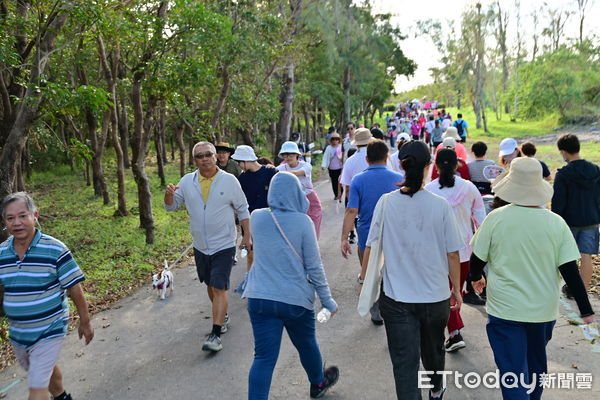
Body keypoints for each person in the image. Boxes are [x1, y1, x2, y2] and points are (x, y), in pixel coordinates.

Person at [470, 157, 595, 400]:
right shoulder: (556, 223)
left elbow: (477, 259)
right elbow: (570, 271)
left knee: (512, 372)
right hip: (543, 312)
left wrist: (476, 278)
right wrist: (585, 309)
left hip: (505, 310)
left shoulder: (495, 218)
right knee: (536, 367)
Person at [363, 141, 463, 400]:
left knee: (404, 364)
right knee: (433, 351)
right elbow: (453, 252)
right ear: (430, 166)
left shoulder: (386, 203)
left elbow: (372, 247)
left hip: (396, 298)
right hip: (435, 295)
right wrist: (456, 288)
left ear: (401, 165)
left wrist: (366, 281)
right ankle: (437, 390)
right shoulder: (440, 205)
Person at [242, 172, 339, 400]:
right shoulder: (303, 222)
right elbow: (315, 267)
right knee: (306, 344)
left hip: (260, 298)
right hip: (294, 301)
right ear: (297, 193)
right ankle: (318, 383)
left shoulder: (257, 216)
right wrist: (327, 301)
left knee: (264, 358)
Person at [0, 192, 94, 400]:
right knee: (42, 370)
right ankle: (62, 397)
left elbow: (75, 289)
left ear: (35, 216)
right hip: (19, 333)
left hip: (50, 328)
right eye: (10, 218)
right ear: (5, 222)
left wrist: (85, 322)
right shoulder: (1, 253)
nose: (17, 222)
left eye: (23, 216)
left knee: (37, 387)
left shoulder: (55, 249)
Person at [164, 141, 251, 352]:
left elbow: (242, 208)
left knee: (219, 285)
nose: (204, 158)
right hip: (201, 245)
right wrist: (168, 194)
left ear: (216, 157)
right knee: (211, 286)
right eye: (199, 156)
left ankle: (215, 333)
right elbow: (171, 206)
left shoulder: (229, 181)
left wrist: (247, 236)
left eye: (208, 154)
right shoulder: (187, 181)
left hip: (224, 243)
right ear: (194, 160)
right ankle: (223, 315)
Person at [426, 150, 486, 353]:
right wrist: (482, 250)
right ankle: (454, 331)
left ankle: (454, 333)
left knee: (445, 293)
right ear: (457, 165)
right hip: (464, 251)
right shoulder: (469, 188)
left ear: (436, 166)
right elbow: (481, 221)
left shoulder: (429, 190)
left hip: (437, 251)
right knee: (456, 292)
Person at [341, 140, 404, 324]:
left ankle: (376, 311)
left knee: (370, 273)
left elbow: (351, 210)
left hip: (367, 235)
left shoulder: (358, 180)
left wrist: (344, 237)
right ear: (386, 158)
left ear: (367, 159)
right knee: (391, 273)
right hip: (394, 234)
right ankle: (393, 310)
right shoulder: (398, 178)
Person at [552, 134, 600, 297]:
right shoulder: (595, 170)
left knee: (567, 257)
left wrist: (555, 221)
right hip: (591, 220)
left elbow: (558, 202)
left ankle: (570, 287)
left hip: (569, 221)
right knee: (586, 256)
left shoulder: (563, 174)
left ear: (564, 152)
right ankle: (582, 291)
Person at [232, 145, 278, 271]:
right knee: (250, 250)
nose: (239, 165)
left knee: (269, 251)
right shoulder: (242, 178)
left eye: (239, 162)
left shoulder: (270, 172)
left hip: (268, 218)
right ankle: (250, 277)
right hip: (249, 219)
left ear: (246, 160)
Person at [276, 141, 322, 238]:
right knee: (297, 224)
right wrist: (270, 168)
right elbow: (273, 172)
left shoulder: (306, 165)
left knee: (314, 220)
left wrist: (279, 172)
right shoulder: (281, 167)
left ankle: (313, 243)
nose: (288, 157)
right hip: (293, 199)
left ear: (297, 154)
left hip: (309, 198)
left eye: (290, 154)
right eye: (285, 155)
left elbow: (298, 173)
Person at [321, 132, 344, 200]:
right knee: (334, 182)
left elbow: (344, 156)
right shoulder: (328, 148)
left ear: (339, 140)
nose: (335, 141)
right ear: (331, 140)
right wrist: (323, 165)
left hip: (340, 168)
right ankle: (336, 195)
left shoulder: (341, 147)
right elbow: (325, 157)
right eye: (333, 139)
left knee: (340, 182)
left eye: (336, 139)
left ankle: (340, 193)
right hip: (332, 168)